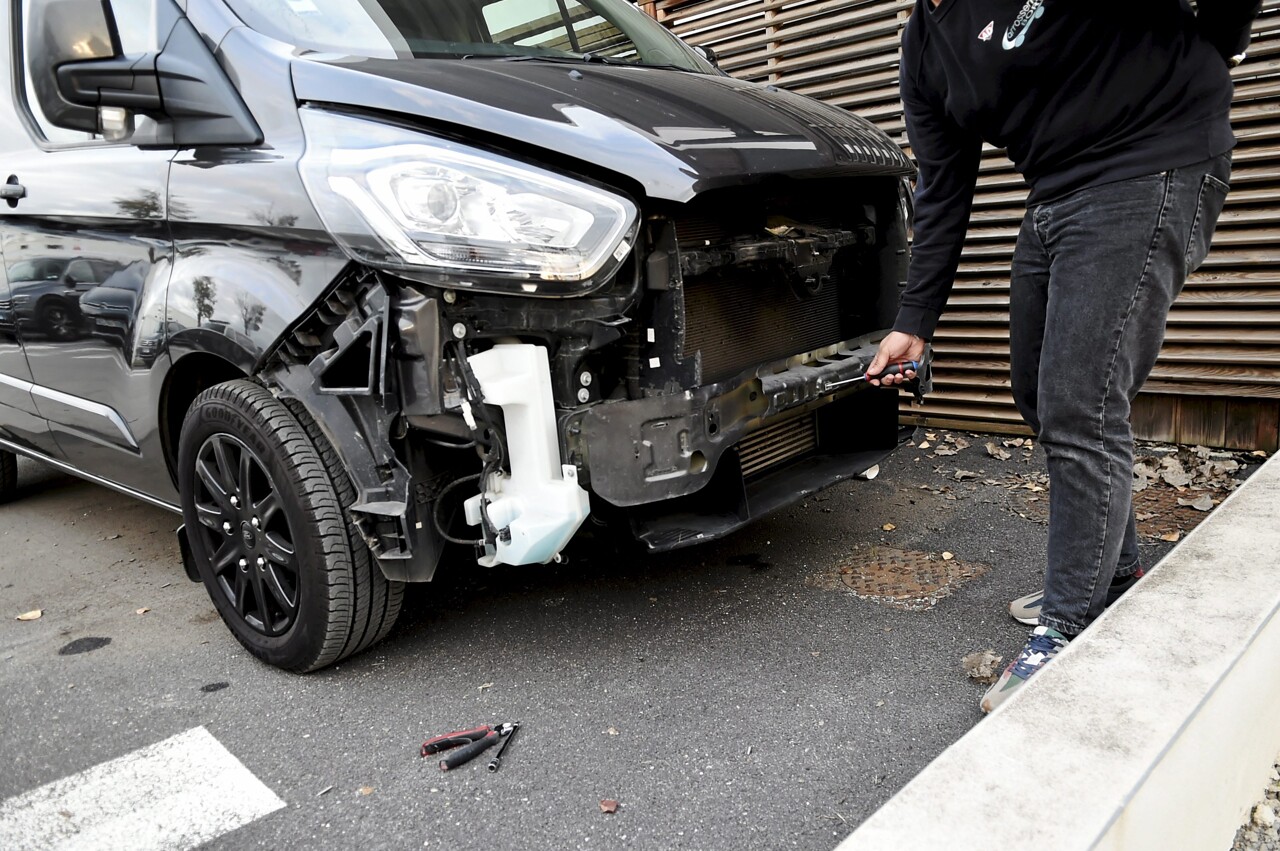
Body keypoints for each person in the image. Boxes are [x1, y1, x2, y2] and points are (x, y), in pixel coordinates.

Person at [865, 0, 1261, 713]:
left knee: (1083, 403)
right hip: (1056, 194)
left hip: (1155, 159)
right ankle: (1115, 576)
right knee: (1039, 394)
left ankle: (1068, 628)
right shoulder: (924, 46)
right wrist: (914, 321)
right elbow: (945, 187)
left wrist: (1221, 42)